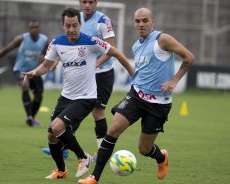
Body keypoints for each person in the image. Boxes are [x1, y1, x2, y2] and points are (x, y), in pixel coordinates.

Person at [78, 7, 195, 184]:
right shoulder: (136, 46)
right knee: (113, 130)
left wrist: (174, 81)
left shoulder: (162, 39)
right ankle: (95, 177)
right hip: (136, 96)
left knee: (144, 148)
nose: (141, 24)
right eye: (138, 21)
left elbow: (189, 57)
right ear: (134, 23)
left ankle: (161, 158)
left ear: (152, 22)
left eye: (145, 20)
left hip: (159, 104)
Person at [22, 8, 134, 179]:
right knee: (51, 135)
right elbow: (46, 65)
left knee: (57, 127)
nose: (71, 29)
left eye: (75, 25)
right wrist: (34, 72)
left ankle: (84, 157)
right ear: (63, 25)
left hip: (86, 98)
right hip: (66, 96)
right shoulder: (57, 43)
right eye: (68, 25)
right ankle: (61, 170)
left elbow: (116, 52)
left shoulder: (91, 41)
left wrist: (132, 72)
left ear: (79, 24)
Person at [42, 0, 116, 161]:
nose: (87, 5)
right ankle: (65, 146)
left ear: (96, 2)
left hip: (102, 73)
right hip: (83, 72)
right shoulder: (76, 18)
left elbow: (111, 48)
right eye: (84, 1)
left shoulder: (103, 20)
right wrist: (56, 60)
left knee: (97, 112)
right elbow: (71, 48)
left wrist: (96, 63)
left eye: (90, 2)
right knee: (72, 111)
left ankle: (101, 152)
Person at [0, 20, 49, 127]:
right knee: (25, 85)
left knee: (39, 95)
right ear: (28, 29)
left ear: (39, 28)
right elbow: (6, 50)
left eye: (36, 27)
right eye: (31, 27)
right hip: (20, 70)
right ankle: (29, 117)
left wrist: (44, 58)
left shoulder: (44, 40)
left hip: (34, 71)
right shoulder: (21, 39)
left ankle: (31, 118)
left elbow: (48, 53)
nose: (34, 29)